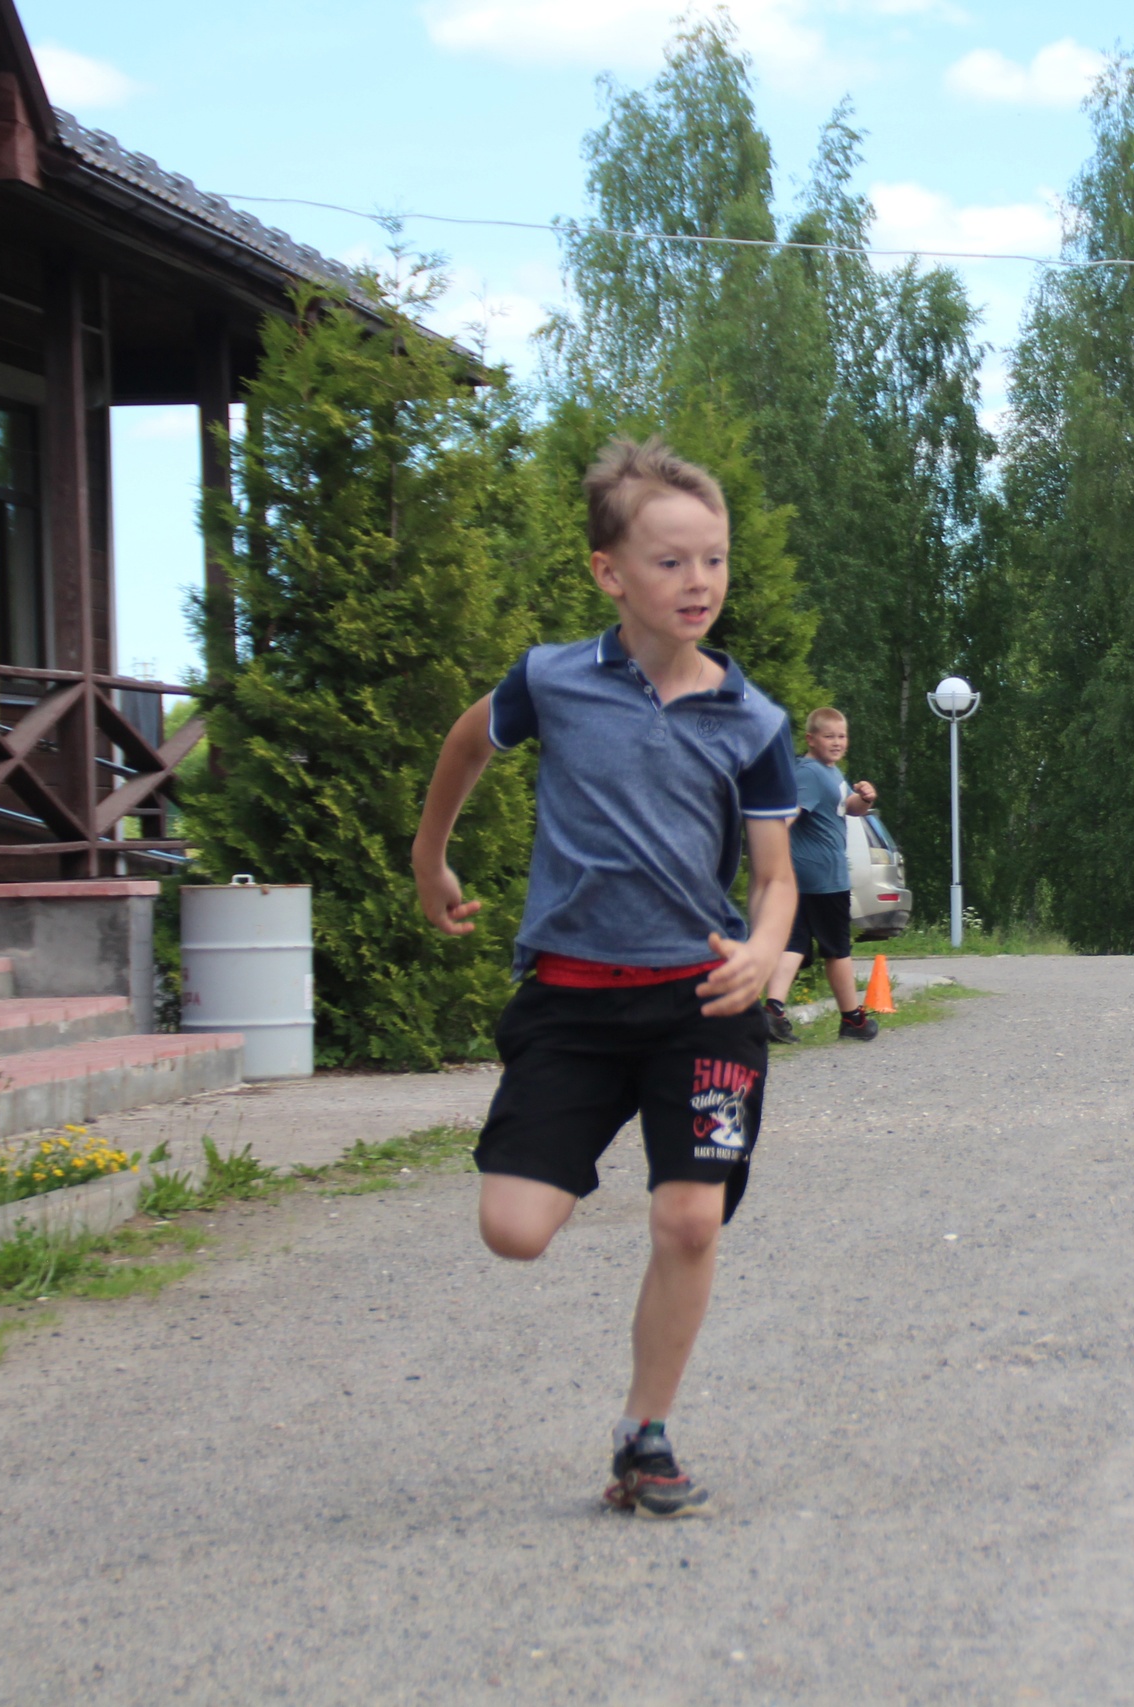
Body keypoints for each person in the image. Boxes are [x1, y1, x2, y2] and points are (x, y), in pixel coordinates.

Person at [411, 437, 801, 1517]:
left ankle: (646, 1434)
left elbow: (774, 880)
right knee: (514, 1231)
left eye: (714, 561)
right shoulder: (550, 680)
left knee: (689, 1219)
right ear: (608, 572)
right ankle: (581, 1143)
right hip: (573, 1000)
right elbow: (463, 748)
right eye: (671, 562)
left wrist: (768, 948)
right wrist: (428, 855)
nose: (699, 584)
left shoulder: (754, 723)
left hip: (702, 999)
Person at [762, 707, 881, 1044]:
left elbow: (850, 808)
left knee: (796, 942)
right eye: (829, 736)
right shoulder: (811, 773)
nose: (837, 742)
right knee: (837, 948)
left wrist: (865, 798)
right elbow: (787, 815)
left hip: (803, 876)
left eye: (841, 736)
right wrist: (766, 851)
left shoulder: (831, 773)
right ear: (811, 739)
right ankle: (852, 1019)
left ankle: (773, 1011)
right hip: (823, 878)